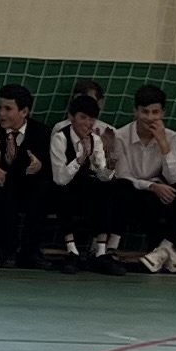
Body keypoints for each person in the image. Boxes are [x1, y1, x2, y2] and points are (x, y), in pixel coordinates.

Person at [50, 84, 127, 271]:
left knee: (110, 187)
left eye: (91, 119)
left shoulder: (96, 140)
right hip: (64, 188)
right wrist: (80, 159)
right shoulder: (60, 137)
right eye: (83, 118)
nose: (87, 123)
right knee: (62, 190)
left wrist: (109, 165)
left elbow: (101, 173)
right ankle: (72, 251)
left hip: (86, 190)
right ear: (72, 117)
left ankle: (100, 251)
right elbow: (60, 178)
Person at [117, 88, 176, 271]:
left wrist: (163, 143)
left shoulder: (170, 136)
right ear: (135, 111)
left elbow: (175, 177)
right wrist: (151, 186)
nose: (150, 118)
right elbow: (122, 175)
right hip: (132, 192)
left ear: (163, 113)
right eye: (145, 112)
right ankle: (163, 251)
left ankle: (163, 249)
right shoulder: (120, 136)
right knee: (130, 192)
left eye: (155, 112)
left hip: (160, 191)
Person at [0, 81, 50, 270]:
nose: (1, 114)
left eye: (8, 109)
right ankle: (6, 251)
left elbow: (51, 166)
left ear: (24, 111)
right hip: (3, 184)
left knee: (43, 190)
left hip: (31, 186)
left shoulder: (42, 132)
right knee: (7, 189)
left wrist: (40, 166)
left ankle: (31, 252)